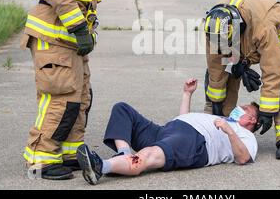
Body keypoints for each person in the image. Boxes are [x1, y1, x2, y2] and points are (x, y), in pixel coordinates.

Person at [20, 0, 124, 180]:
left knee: (80, 98)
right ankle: (41, 158)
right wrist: (79, 28)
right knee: (61, 98)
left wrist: (82, 33)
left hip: (68, 41)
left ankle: (67, 152)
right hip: (56, 38)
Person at [76, 78, 259, 185]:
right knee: (122, 109)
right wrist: (187, 94)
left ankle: (101, 167)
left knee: (149, 154)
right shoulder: (224, 120)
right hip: (169, 130)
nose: (239, 108)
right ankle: (123, 156)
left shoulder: (246, 136)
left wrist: (229, 132)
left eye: (244, 108)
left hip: (195, 143)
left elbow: (243, 158)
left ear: (252, 119)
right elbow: (184, 119)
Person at [203, 0, 280, 160]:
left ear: (238, 27)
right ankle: (217, 126)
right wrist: (216, 102)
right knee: (226, 73)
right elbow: (216, 66)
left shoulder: (262, 26)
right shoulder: (215, 27)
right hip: (245, 36)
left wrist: (267, 111)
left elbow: (273, 70)